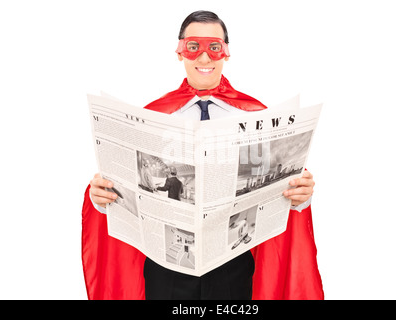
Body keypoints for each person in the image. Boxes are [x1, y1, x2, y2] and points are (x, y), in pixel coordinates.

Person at [84, 10, 323, 300]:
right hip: (166, 269)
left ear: (227, 53)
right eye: (193, 47)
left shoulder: (257, 116)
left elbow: (280, 194)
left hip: (232, 268)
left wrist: (302, 195)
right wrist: (99, 197)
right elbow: (123, 192)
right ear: (179, 52)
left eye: (214, 47)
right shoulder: (150, 118)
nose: (205, 58)